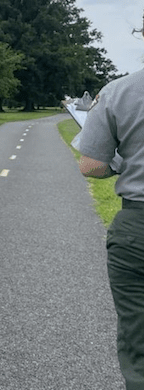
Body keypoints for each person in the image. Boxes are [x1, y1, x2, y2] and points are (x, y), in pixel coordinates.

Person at [77, 62, 144, 390]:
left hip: (137, 227)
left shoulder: (117, 92)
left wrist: (122, 165)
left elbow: (91, 166)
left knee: (139, 337)